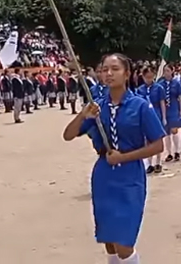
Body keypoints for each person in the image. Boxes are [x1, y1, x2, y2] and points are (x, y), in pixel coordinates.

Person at [63, 53, 165, 264]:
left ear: (127, 74)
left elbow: (158, 145)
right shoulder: (97, 108)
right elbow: (68, 135)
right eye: (105, 69)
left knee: (124, 242)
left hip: (130, 177)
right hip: (104, 176)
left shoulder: (140, 106)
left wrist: (124, 157)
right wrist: (83, 115)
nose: (109, 73)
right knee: (109, 240)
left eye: (115, 69)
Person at [137, 66, 166, 174]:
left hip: (156, 114)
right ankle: (149, 163)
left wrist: (164, 117)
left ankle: (158, 162)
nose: (149, 79)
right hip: (145, 116)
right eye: (147, 77)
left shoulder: (159, 88)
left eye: (151, 77)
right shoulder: (140, 90)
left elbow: (162, 103)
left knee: (158, 139)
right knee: (148, 141)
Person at [158, 65, 181, 162]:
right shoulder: (160, 84)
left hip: (173, 108)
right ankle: (169, 153)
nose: (166, 73)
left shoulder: (176, 83)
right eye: (165, 71)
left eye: (168, 71)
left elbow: (180, 97)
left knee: (174, 130)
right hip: (165, 110)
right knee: (167, 133)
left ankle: (177, 151)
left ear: (172, 71)